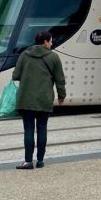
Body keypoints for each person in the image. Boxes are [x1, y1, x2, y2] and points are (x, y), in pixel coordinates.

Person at [12, 30, 66, 170]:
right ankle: (40, 160)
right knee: (42, 128)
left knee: (28, 129)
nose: (52, 43)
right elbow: (60, 79)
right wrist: (61, 96)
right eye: (51, 41)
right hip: (44, 99)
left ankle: (28, 161)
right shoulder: (54, 57)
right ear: (46, 42)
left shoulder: (24, 54)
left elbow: (16, 75)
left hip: (26, 99)